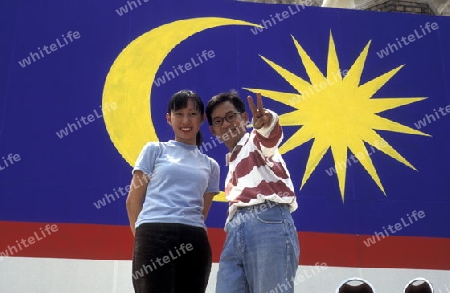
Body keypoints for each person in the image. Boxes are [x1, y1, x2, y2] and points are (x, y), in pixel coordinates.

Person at [125, 90, 220, 293]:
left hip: (194, 240)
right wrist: (142, 235)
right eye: (179, 114)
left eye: (192, 114)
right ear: (169, 118)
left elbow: (202, 211)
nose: (186, 120)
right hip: (153, 235)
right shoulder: (154, 150)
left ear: (202, 118)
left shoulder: (211, 166)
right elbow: (133, 201)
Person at [205, 91, 300, 293]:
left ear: (245, 118)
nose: (226, 124)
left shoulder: (254, 143)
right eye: (219, 121)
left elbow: (269, 134)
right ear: (214, 130)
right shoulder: (232, 160)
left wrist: (267, 120)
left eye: (231, 117)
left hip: (267, 221)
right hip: (234, 230)